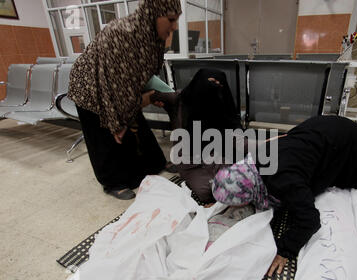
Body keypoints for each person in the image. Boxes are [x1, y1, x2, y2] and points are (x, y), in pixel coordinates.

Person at [211, 115, 357, 276]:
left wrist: (285, 250)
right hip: (321, 129)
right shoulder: (252, 162)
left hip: (343, 143)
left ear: (247, 189)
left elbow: (310, 220)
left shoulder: (283, 179)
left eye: (241, 201)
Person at [68, 0, 182, 200]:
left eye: (177, 19)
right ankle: (112, 182)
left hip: (122, 86)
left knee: (138, 126)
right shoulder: (121, 33)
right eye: (171, 19)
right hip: (91, 87)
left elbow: (143, 73)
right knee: (104, 137)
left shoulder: (153, 37)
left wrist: (159, 94)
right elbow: (110, 84)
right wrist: (119, 122)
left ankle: (155, 163)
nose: (175, 27)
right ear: (152, 14)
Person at [152, 68, 244, 203]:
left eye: (220, 84)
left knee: (234, 186)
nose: (215, 87)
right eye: (212, 82)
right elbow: (152, 95)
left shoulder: (221, 103)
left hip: (217, 154)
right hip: (189, 160)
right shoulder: (180, 100)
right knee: (207, 191)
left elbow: (237, 137)